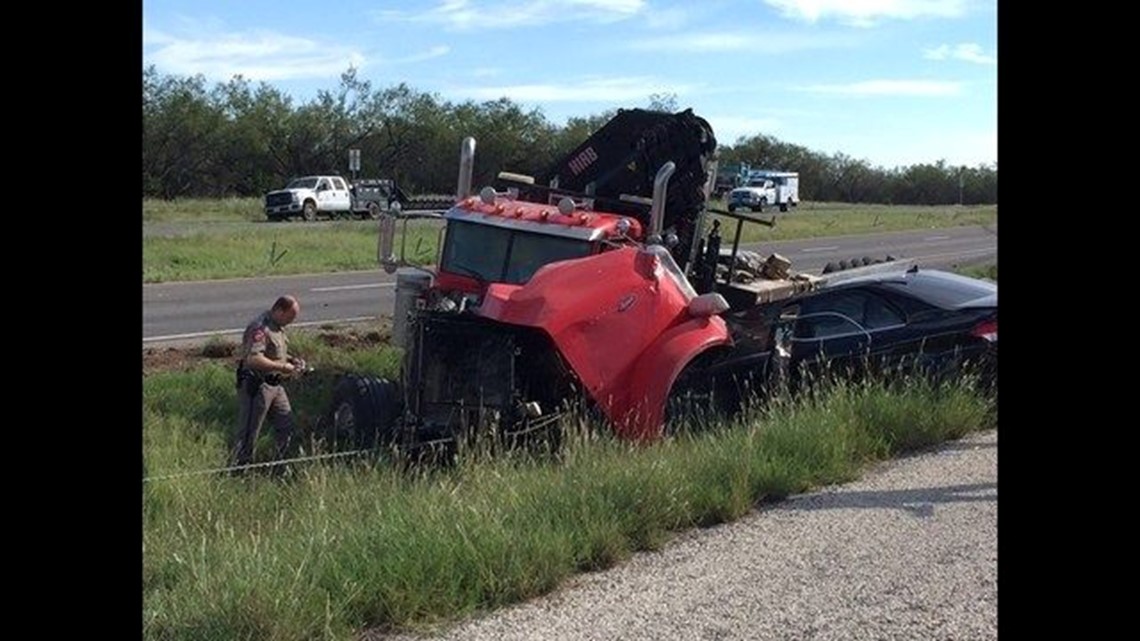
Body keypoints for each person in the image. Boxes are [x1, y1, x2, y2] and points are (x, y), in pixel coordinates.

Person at [231, 295, 305, 472]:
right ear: (279, 310)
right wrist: (282, 366)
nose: (291, 322)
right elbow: (253, 359)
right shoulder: (260, 328)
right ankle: (240, 470)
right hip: (257, 385)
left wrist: (292, 361)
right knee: (249, 433)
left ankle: (279, 466)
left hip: (276, 385)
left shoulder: (278, 327)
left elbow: (274, 353)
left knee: (286, 426)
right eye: (289, 317)